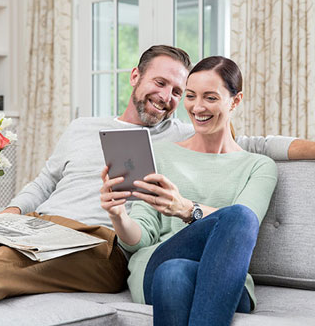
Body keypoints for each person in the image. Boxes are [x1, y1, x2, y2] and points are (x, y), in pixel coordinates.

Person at [0, 45, 313, 316]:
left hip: (93, 241)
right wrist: (11, 212)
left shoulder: (180, 134)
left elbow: (251, 145)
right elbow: (44, 182)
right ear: (135, 77)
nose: (168, 97)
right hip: (35, 227)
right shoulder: (82, 127)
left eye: (177, 91)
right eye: (162, 83)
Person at [100, 56, 278, 325]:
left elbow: (243, 227)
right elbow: (139, 239)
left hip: (226, 276)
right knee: (170, 269)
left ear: (235, 101)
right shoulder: (161, 155)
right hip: (156, 266)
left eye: (210, 98)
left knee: (236, 219)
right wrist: (118, 216)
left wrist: (185, 209)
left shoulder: (259, 166)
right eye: (191, 96)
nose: (197, 107)